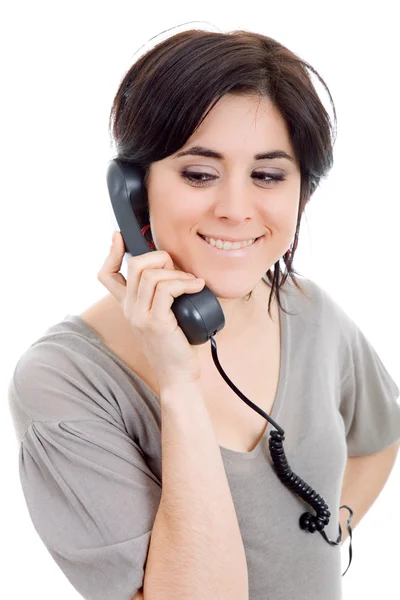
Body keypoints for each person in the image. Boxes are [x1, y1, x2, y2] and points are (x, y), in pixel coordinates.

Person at [8, 26, 400, 600]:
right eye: (199, 173)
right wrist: (178, 382)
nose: (237, 210)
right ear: (135, 194)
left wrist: (327, 532)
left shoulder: (307, 310)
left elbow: (381, 437)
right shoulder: (64, 382)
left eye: (268, 175)